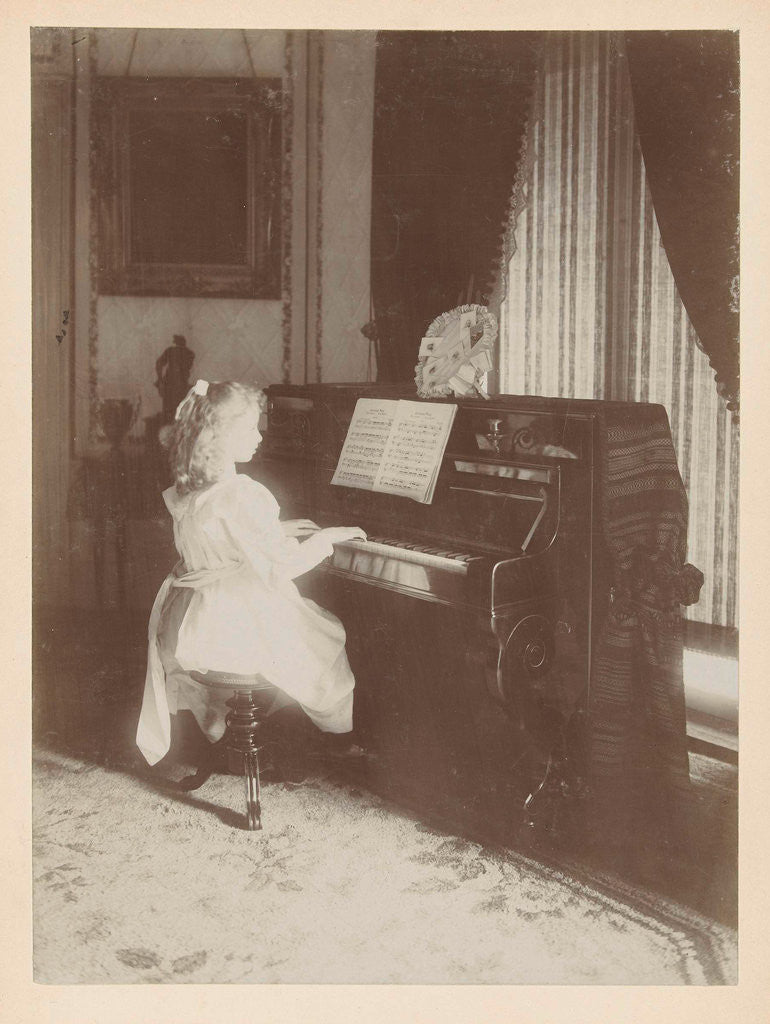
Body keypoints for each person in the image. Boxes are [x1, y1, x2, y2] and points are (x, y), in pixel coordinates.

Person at [136, 379, 366, 768]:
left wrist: (278, 529)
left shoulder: (191, 490)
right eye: (248, 428)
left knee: (304, 646)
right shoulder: (244, 492)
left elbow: (225, 540)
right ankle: (338, 745)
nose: (259, 436)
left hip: (196, 620)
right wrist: (326, 537)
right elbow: (281, 567)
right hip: (236, 625)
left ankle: (240, 730)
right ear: (216, 436)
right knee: (327, 646)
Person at [155, 334, 195, 423]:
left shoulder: (171, 351)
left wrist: (160, 380)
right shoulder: (189, 353)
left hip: (174, 386)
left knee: (171, 413)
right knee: (178, 413)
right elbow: (159, 364)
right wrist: (161, 381)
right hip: (176, 386)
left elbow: (159, 364)